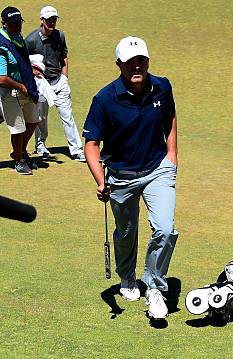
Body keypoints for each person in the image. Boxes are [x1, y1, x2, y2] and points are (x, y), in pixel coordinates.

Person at [83, 36, 178, 320]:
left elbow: (170, 116)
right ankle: (127, 276)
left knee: (164, 229)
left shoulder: (162, 86)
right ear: (119, 65)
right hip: (121, 176)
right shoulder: (105, 99)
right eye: (130, 62)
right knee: (125, 232)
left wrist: (172, 154)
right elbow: (91, 144)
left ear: (148, 61)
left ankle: (154, 286)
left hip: (157, 169)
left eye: (142, 61)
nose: (137, 66)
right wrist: (101, 180)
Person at [25, 6, 84, 161]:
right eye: (49, 19)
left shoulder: (60, 35)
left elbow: (64, 57)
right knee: (41, 117)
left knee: (67, 116)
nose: (52, 22)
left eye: (54, 19)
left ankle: (77, 150)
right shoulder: (31, 40)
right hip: (42, 84)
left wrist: (65, 77)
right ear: (41, 20)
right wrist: (33, 74)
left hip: (59, 82)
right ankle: (40, 145)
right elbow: (23, 62)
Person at [0, 6, 40, 175]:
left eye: (18, 23)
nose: (17, 26)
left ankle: (20, 151)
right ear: (4, 24)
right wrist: (20, 86)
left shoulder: (17, 37)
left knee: (33, 121)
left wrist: (31, 70)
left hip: (25, 88)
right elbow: (1, 78)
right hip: (10, 92)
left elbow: (20, 61)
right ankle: (19, 160)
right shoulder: (2, 45)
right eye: (13, 24)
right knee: (18, 129)